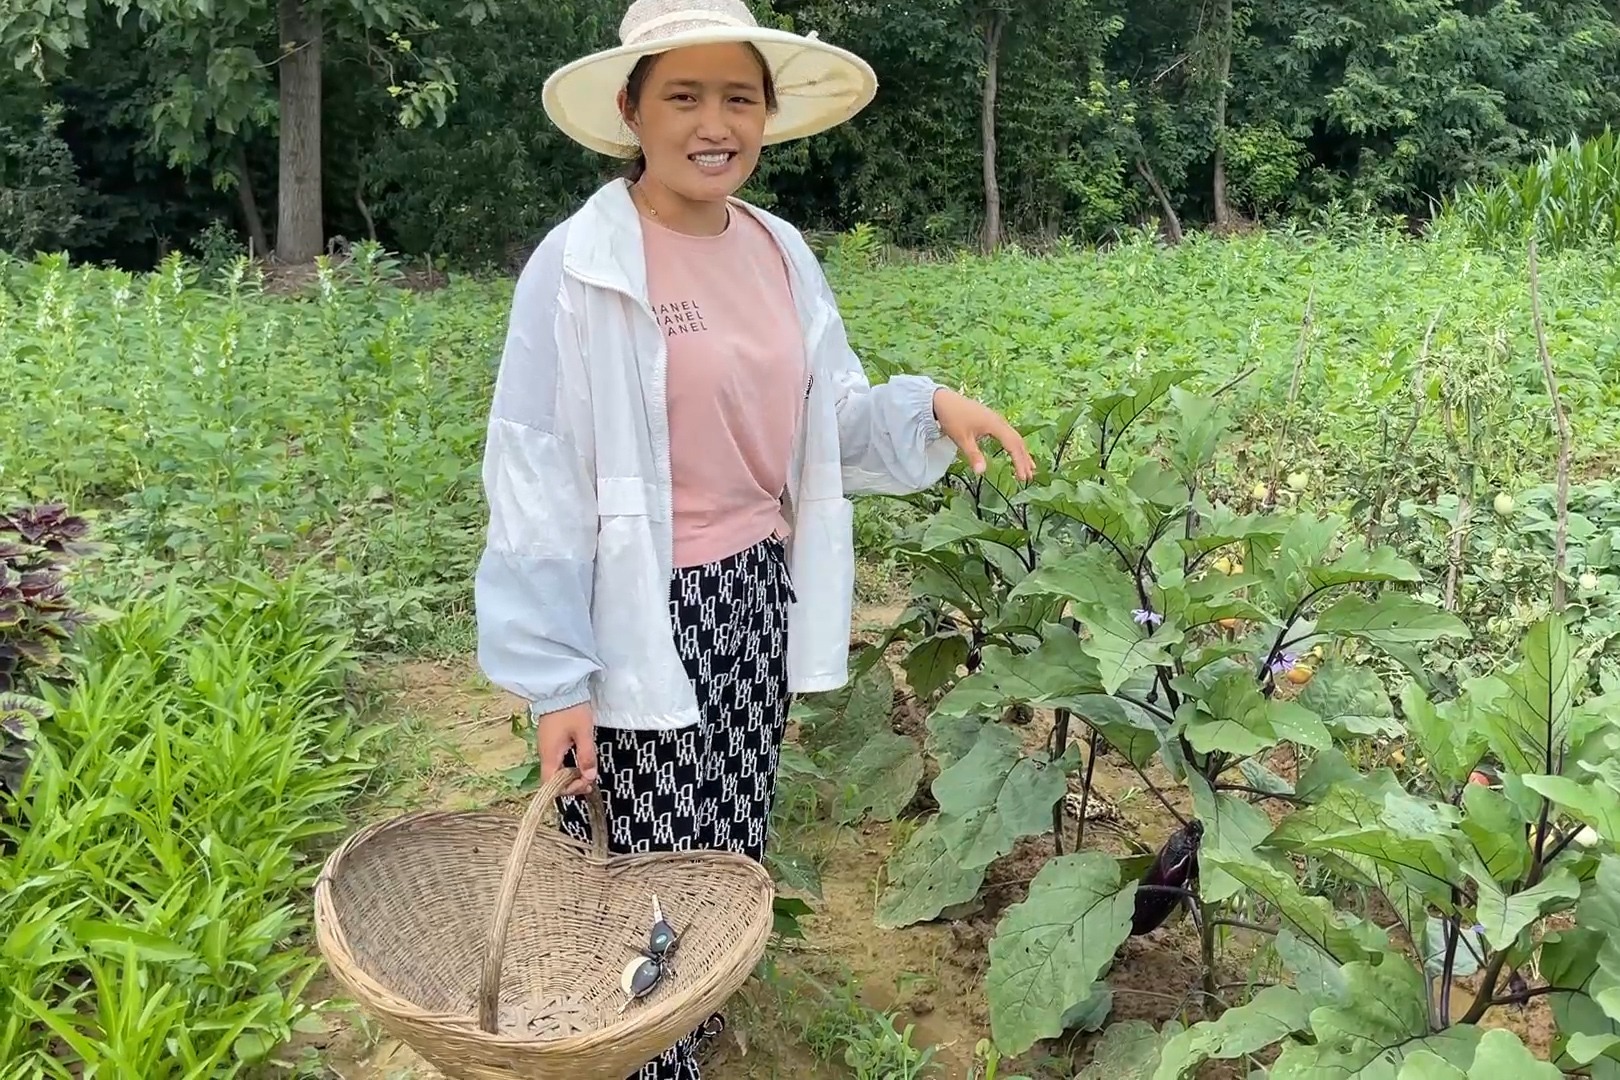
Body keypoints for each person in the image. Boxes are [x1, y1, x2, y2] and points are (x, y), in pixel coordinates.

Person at [473, 1, 1034, 1076]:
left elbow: (818, 426)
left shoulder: (778, 250)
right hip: (632, 608)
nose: (713, 121)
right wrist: (556, 681)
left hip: (749, 595)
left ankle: (686, 1021)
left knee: (729, 835)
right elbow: (534, 471)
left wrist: (927, 408)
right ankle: (638, 1053)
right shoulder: (582, 262)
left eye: (739, 96)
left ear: (769, 115)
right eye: (683, 95)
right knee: (642, 853)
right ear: (632, 110)